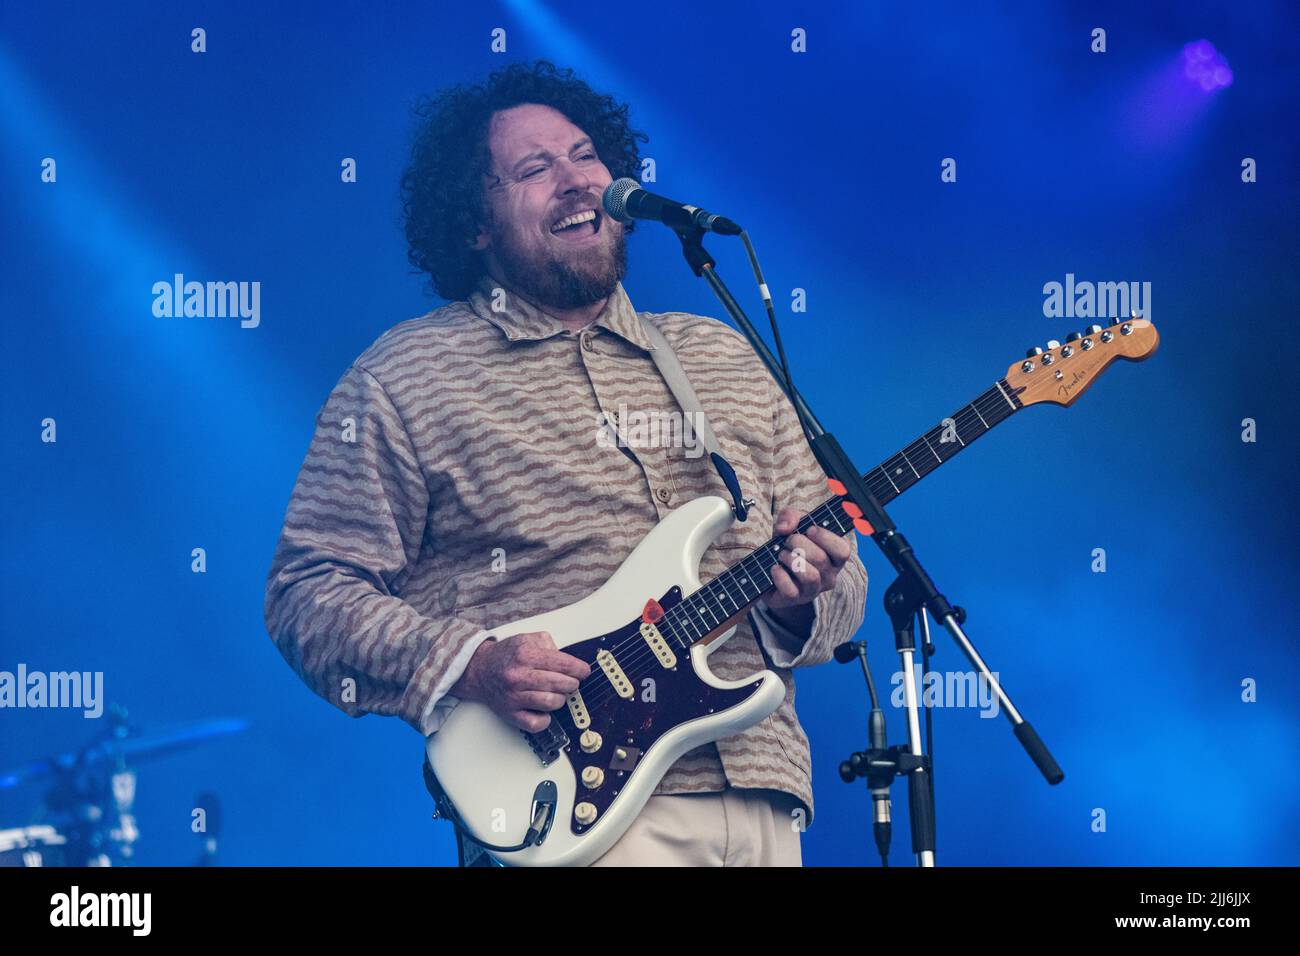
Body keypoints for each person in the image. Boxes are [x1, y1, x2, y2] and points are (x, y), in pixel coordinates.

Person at [264, 60, 867, 866]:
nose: (577, 182)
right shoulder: (405, 378)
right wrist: (468, 666)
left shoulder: (719, 354)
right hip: (573, 812)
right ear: (474, 222)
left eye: (586, 155)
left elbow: (844, 587)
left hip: (763, 796)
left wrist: (803, 600)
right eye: (534, 169)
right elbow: (308, 592)